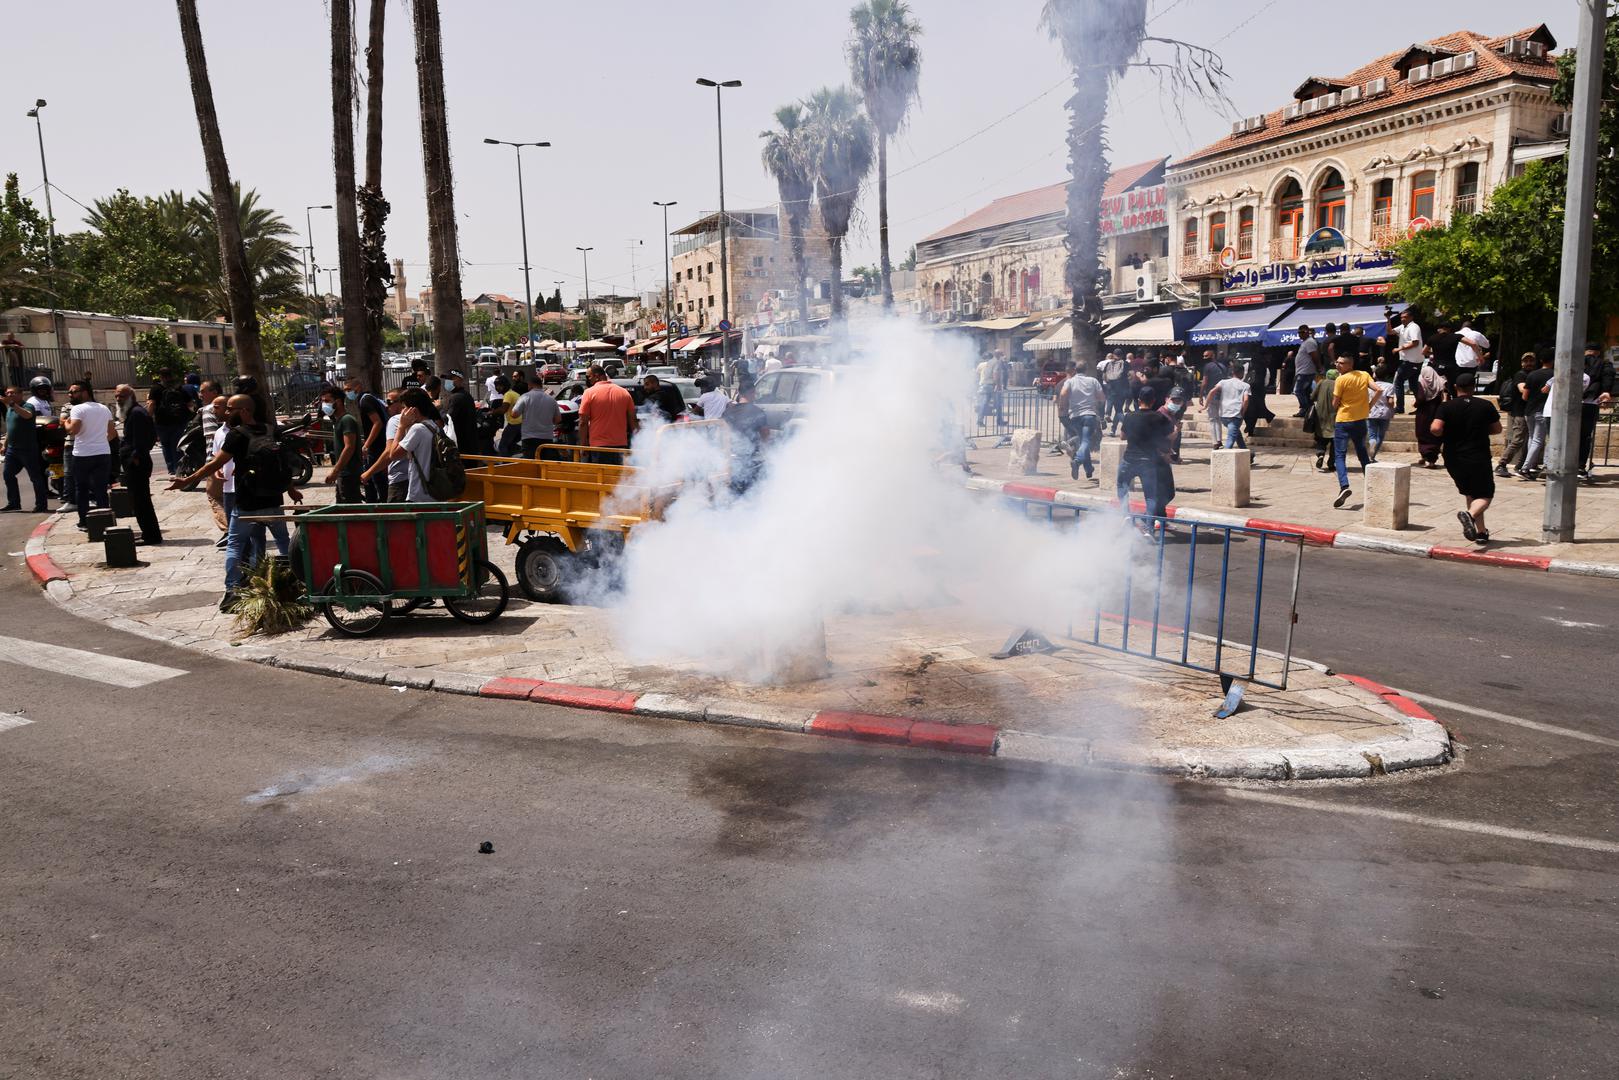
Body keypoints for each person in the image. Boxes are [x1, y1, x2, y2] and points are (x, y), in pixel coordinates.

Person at [171, 393, 303, 609]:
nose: (227, 412)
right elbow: (281, 465)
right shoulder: (271, 431)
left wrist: (188, 479)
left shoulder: (237, 435)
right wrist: (292, 490)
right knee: (283, 543)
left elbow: (215, 464)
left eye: (231, 409)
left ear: (244, 411)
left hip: (247, 504)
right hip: (272, 500)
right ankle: (294, 583)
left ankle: (232, 590)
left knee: (234, 545)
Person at [1432, 372, 1503, 544]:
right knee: (1486, 494)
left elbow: (1435, 428)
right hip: (1477, 456)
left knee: (1472, 493)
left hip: (1453, 457)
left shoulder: (1446, 406)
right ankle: (1469, 515)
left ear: (1456, 388)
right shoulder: (1485, 405)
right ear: (1474, 388)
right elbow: (1497, 429)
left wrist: (1448, 431)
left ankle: (1481, 532)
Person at [368, 388, 445, 503]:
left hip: (419, 493)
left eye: (404, 407)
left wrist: (401, 427)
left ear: (413, 410)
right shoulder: (433, 426)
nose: (402, 412)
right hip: (433, 491)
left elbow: (393, 454)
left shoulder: (417, 429)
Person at [112, 384, 163, 545]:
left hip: (137, 464)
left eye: (122, 396)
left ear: (131, 397)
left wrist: (135, 458)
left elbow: (144, 440)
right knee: (138, 501)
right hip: (133, 463)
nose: (119, 399)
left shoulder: (137, 413)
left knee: (142, 501)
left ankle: (151, 536)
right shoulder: (133, 413)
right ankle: (148, 533)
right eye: (117, 396)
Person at [1329, 352, 1380, 507]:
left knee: (1339, 455)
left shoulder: (1341, 379)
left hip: (1343, 420)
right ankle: (1371, 485)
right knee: (1362, 454)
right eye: (1337, 362)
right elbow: (1379, 390)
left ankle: (1344, 486)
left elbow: (1334, 403)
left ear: (1350, 365)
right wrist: (1369, 406)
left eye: (1341, 363)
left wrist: (1336, 404)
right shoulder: (1364, 375)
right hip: (1360, 421)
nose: (1338, 365)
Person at [65, 380, 116, 531]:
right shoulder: (104, 408)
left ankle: (84, 522)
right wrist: (99, 441)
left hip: (82, 454)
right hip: (102, 453)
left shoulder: (77, 409)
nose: (71, 395)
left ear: (85, 392)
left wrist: (66, 424)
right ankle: (105, 521)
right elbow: (112, 433)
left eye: (74, 392)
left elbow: (73, 430)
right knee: (101, 489)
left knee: (82, 489)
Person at [1118, 386, 1174, 520]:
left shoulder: (1129, 416)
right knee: (1150, 496)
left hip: (1129, 460)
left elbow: (1122, 436)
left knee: (1122, 486)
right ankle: (1149, 527)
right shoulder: (1159, 417)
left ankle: (1126, 516)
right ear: (1153, 401)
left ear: (1138, 400)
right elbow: (1169, 436)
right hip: (1148, 462)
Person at [2, 385, 49, 512]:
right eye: (7, 393)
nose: (9, 395)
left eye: (12, 393)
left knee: (35, 477)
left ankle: (41, 505)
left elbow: (27, 415)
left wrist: (12, 404)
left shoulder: (27, 406)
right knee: (7, 474)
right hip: (13, 450)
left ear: (20, 394)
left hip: (27, 449)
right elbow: (10, 429)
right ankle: (14, 502)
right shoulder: (10, 409)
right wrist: (4, 445)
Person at [577, 365, 637, 464]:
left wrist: (583, 446)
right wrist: (637, 444)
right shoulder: (624, 392)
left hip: (599, 447)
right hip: (620, 445)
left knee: (601, 477)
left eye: (588, 376)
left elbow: (583, 422)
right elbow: (633, 421)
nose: (587, 380)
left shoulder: (589, 393)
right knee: (618, 478)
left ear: (597, 376)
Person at [1057, 359, 1104, 481]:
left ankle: (1089, 469)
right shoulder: (1093, 381)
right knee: (1085, 441)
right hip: (1089, 415)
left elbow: (1063, 394)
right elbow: (1101, 397)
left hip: (1075, 416)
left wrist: (1063, 406)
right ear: (1086, 370)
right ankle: (1077, 461)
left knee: (1084, 441)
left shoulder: (1070, 382)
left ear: (1075, 370)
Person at [346, 375, 389, 502]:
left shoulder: (365, 401)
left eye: (349, 389)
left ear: (358, 387)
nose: (347, 393)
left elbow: (377, 423)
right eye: (345, 390)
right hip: (378, 444)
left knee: (375, 479)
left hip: (377, 446)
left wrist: (367, 445)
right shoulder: (368, 398)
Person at [723, 377, 771, 494]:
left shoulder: (727, 412)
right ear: (752, 393)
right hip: (750, 458)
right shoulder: (758, 412)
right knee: (751, 490)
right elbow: (765, 434)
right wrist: (766, 449)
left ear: (739, 393)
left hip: (731, 457)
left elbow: (722, 433)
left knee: (733, 491)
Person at [360, 390, 410, 502]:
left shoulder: (395, 421)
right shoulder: (422, 421)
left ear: (401, 402)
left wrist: (369, 472)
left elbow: (389, 453)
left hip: (399, 479)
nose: (387, 406)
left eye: (390, 402)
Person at [320, 384, 364, 503]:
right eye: (323, 401)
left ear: (338, 402)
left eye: (327, 401)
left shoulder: (347, 420)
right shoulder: (338, 421)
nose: (324, 405)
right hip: (344, 474)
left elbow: (349, 447)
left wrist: (335, 471)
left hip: (349, 474)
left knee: (350, 510)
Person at [1496, 353, 1537, 477]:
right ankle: (1501, 464)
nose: (1528, 363)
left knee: (1529, 440)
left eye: (1531, 360)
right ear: (1522, 363)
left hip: (1528, 412)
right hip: (1519, 412)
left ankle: (1523, 465)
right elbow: (1522, 389)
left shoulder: (1532, 375)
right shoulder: (1520, 375)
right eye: (1526, 361)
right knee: (1518, 440)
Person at [1578, 343, 1615, 479]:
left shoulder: (1575, 361)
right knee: (1585, 436)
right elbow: (1608, 375)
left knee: (1567, 435)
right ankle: (1580, 466)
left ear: (1585, 351)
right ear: (1598, 352)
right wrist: (1606, 391)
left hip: (1570, 405)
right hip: (1590, 404)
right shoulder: (1603, 364)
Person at [1515, 353, 1555, 479]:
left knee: (1533, 439)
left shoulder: (1532, 374)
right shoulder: (1555, 374)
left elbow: (1524, 396)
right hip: (1543, 411)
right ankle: (1525, 468)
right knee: (1538, 440)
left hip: (1529, 411)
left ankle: (1528, 466)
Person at [151, 368, 196, 475]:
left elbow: (151, 404)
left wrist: (149, 419)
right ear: (171, 376)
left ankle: (171, 469)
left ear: (160, 376)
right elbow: (190, 403)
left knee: (166, 445)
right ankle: (178, 468)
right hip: (179, 421)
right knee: (177, 445)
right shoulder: (179, 388)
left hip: (161, 422)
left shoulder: (156, 388)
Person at [511, 380, 560, 460]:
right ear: (541, 385)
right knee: (544, 464)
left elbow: (514, 414)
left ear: (530, 385)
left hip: (529, 438)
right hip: (546, 437)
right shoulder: (551, 400)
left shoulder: (525, 397)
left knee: (531, 465)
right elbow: (558, 419)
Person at [1412, 358, 1447, 469]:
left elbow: (1421, 398)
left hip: (1423, 413)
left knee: (1423, 434)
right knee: (1435, 435)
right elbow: (1445, 395)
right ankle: (1431, 459)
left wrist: (1416, 403)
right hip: (1437, 412)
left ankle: (1426, 457)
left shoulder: (1421, 381)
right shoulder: (1440, 381)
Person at [1209, 364, 1251, 452]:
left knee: (1236, 434)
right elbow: (1246, 400)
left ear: (1232, 372)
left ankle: (1248, 455)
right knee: (1231, 439)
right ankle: (1224, 458)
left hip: (1223, 415)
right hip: (1235, 415)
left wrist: (1206, 405)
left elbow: (1212, 391)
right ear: (1242, 373)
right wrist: (1243, 412)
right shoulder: (1245, 385)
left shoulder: (1223, 382)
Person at [439, 368, 480, 453]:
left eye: (450, 379)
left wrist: (440, 408)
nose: (447, 381)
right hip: (470, 443)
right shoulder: (465, 395)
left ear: (459, 379)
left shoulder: (457, 397)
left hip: (463, 445)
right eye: (446, 379)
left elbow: (448, 419)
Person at [1309, 365, 1339, 472]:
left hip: (1320, 416)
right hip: (1335, 417)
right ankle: (1331, 464)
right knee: (1335, 443)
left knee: (1321, 438)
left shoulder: (1321, 382)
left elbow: (1312, 396)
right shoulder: (1338, 384)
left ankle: (1320, 454)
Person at [1367, 361, 1396, 461]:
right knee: (1381, 435)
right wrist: (1393, 409)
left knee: (1372, 435)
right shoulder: (1390, 386)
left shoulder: (1370, 386)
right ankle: (1372, 456)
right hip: (1385, 414)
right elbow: (1390, 401)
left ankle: (1372, 443)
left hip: (1371, 412)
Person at [1292, 326, 1321, 417]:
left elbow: (1315, 356)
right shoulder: (1305, 342)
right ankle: (1310, 410)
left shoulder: (1309, 342)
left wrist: (1319, 367)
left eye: (1302, 332)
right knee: (1306, 392)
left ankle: (1305, 409)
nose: (1300, 334)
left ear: (1307, 332)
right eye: (1299, 332)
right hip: (1303, 371)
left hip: (1306, 371)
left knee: (1298, 390)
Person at [1242, 356, 1275, 436]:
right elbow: (1266, 381)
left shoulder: (1247, 366)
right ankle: (1251, 429)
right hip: (1260, 391)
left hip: (1250, 390)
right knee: (1255, 410)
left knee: (1248, 410)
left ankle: (1250, 427)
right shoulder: (1265, 368)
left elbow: (1244, 377)